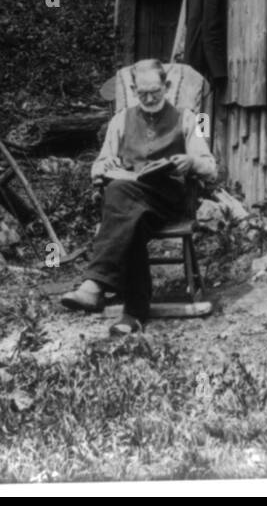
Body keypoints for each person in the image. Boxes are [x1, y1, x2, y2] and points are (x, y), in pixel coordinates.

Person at [60, 59, 216, 335]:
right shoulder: (120, 120)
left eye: (155, 91)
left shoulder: (188, 118)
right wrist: (104, 168)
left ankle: (95, 284)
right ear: (133, 89)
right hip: (134, 203)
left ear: (166, 86)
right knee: (129, 214)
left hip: (169, 200)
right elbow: (98, 166)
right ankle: (133, 315)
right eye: (142, 93)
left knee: (119, 196)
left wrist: (190, 162)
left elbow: (211, 166)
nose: (150, 98)